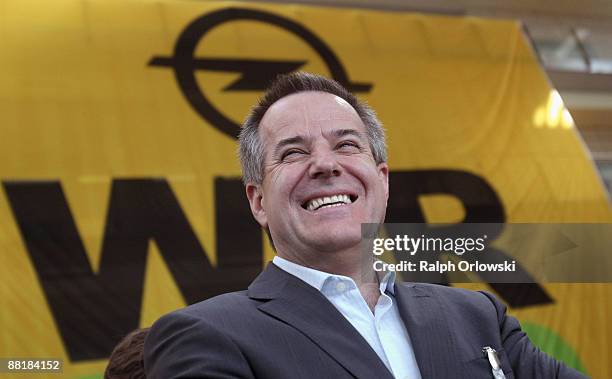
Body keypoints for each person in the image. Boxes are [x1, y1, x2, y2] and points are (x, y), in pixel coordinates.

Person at [144, 72, 587, 378]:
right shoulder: (204, 336)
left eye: (347, 145)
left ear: (382, 180)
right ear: (258, 201)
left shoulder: (478, 316)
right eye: (293, 153)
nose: (325, 164)